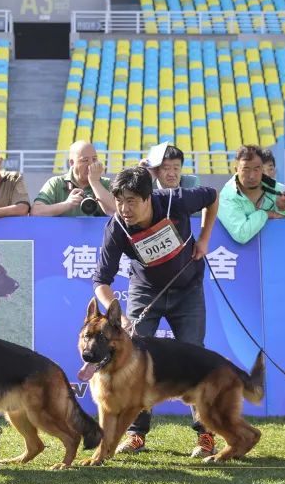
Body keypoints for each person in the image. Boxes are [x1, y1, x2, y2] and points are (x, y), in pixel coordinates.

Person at [92, 166, 221, 458]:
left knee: (194, 356)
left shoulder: (176, 200)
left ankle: (205, 435)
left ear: (148, 197)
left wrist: (204, 238)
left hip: (188, 290)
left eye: (131, 201)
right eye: (119, 201)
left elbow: (213, 196)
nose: (124, 209)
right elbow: (101, 282)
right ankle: (136, 434)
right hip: (145, 292)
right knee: (134, 359)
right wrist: (120, 317)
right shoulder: (117, 227)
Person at [217, 145, 285, 244]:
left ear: (262, 169)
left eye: (256, 169)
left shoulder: (277, 189)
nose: (252, 176)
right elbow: (241, 235)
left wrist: (283, 209)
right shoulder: (227, 196)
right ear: (236, 170)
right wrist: (266, 214)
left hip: (277, 245)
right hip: (238, 252)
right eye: (246, 169)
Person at [32, 140, 116, 217]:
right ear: (72, 163)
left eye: (94, 159)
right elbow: (36, 212)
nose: (91, 165)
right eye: (85, 160)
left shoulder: (106, 184)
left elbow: (118, 212)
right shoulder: (56, 183)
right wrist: (67, 204)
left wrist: (95, 182)